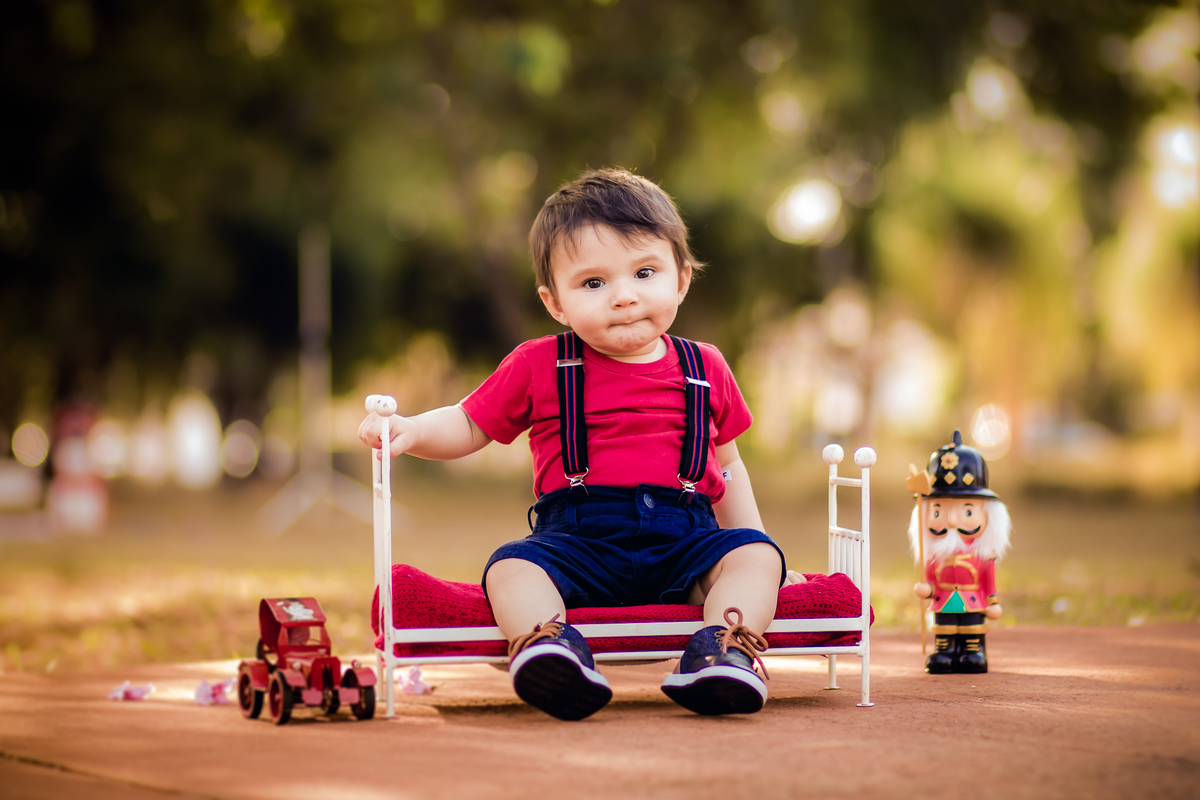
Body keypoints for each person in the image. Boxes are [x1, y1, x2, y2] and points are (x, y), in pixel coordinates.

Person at [360, 168, 801, 720]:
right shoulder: (539, 363)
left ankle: (723, 652)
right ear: (556, 303)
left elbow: (727, 467)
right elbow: (469, 423)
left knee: (756, 557)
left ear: (682, 280)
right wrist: (413, 430)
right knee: (510, 568)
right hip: (577, 545)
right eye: (593, 283)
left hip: (685, 545)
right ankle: (550, 650)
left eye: (645, 272)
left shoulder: (705, 366)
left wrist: (755, 544)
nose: (624, 297)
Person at [907, 430, 1012, 674]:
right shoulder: (934, 555)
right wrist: (926, 589)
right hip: (943, 600)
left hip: (973, 599)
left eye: (967, 511)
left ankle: (973, 650)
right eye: (938, 511)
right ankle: (944, 650)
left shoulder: (983, 554)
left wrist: (993, 602)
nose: (952, 521)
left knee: (971, 628)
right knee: (944, 628)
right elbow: (931, 580)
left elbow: (988, 580)